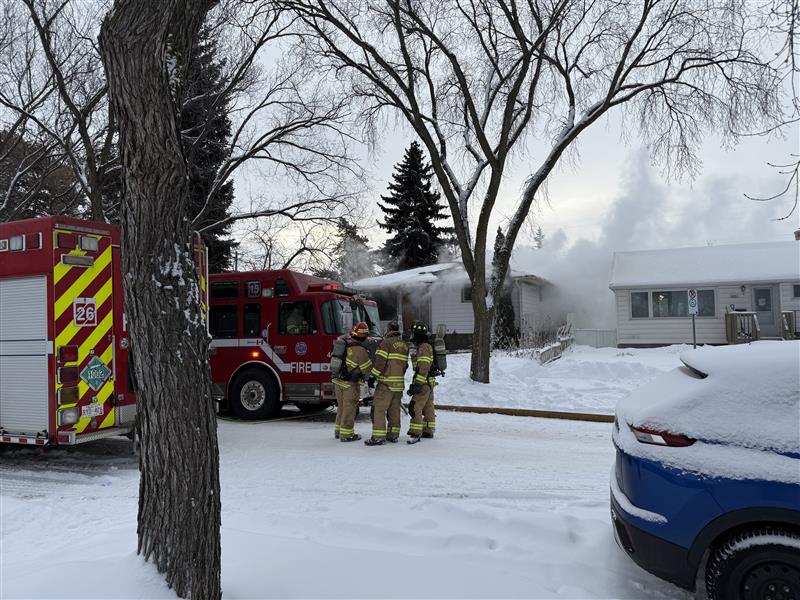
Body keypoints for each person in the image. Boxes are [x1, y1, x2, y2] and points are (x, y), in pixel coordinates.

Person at [365, 321, 408, 445]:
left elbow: (380, 362)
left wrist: (373, 376)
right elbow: (405, 365)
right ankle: (393, 435)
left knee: (379, 408)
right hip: (399, 384)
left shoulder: (386, 343)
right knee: (394, 410)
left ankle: (378, 437)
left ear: (388, 330)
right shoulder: (404, 345)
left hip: (386, 384)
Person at [332, 322, 372, 442]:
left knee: (342, 407)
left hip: (338, 382)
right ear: (363, 336)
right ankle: (347, 434)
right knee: (350, 409)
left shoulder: (344, 344)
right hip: (350, 384)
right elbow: (367, 369)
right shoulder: (360, 350)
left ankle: (338, 431)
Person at [406, 321, 436, 443]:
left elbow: (424, 367)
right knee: (428, 406)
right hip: (428, 382)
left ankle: (415, 432)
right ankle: (428, 430)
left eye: (414, 334)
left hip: (423, 382)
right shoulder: (425, 346)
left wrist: (417, 383)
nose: (412, 336)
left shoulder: (424, 347)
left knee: (414, 406)